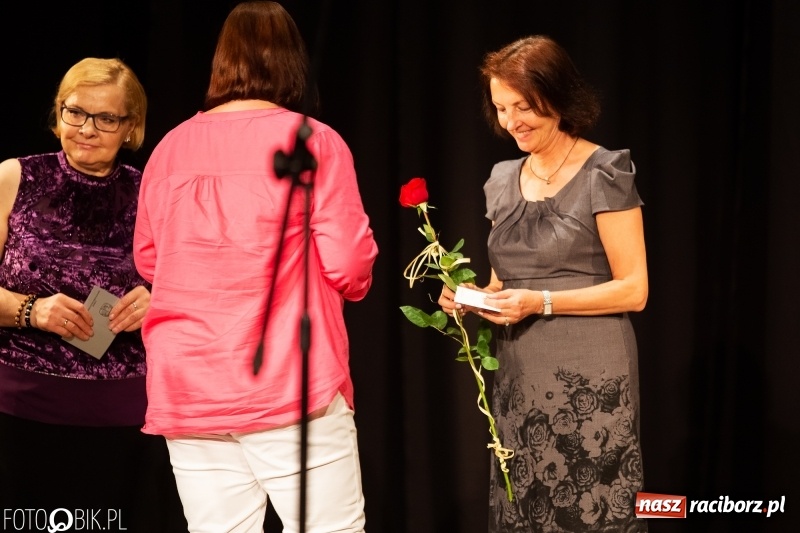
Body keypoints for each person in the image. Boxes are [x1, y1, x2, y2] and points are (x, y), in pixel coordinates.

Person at [133, 2, 378, 532]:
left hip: (190, 385)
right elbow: (350, 265)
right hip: (290, 380)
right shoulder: (315, 142)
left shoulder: (169, 148)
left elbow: (150, 261)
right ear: (293, 62)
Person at [439, 36, 649, 532]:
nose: (511, 121)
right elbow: (503, 283)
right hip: (519, 375)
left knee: (591, 507)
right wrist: (470, 299)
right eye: (501, 108)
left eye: (524, 106)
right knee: (526, 508)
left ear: (558, 97)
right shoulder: (500, 178)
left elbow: (634, 289)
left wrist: (543, 302)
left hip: (592, 375)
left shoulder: (605, 170)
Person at [0, 57, 186, 530]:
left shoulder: (153, 194)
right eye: (75, 112)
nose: (86, 128)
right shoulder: (13, 178)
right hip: (19, 405)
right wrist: (31, 310)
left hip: (123, 417)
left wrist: (157, 299)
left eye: (106, 118)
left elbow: (195, 290)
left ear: (131, 127)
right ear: (58, 112)